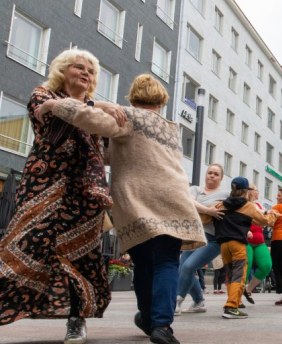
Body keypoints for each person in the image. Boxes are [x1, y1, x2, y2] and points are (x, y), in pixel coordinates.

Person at [38, 73, 207, 344]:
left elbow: (90, 120)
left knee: (142, 263)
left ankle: (148, 317)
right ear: (161, 100)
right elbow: (117, 153)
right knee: (166, 262)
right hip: (174, 198)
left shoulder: (127, 117)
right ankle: (160, 325)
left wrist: (55, 105)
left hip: (137, 199)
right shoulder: (171, 127)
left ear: (133, 96)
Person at [0, 48, 125, 344]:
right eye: (78, 67)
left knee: (80, 255)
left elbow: (104, 140)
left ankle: (75, 319)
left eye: (91, 71)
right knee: (23, 247)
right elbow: (66, 114)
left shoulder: (91, 108)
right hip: (44, 184)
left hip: (84, 191)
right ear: (62, 70)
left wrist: (99, 106)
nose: (86, 73)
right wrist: (98, 106)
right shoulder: (42, 96)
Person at [213, 177, 279, 319]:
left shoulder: (221, 205)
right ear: (245, 191)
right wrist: (272, 214)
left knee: (230, 275)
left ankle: (231, 303)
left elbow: (209, 216)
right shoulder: (248, 206)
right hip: (238, 244)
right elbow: (265, 221)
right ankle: (231, 306)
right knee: (239, 275)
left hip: (223, 244)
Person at [175, 164, 228, 316]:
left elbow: (240, 208)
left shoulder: (225, 194)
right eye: (210, 172)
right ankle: (199, 301)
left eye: (216, 174)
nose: (212, 175)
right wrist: (208, 210)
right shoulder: (195, 190)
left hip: (212, 239)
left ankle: (176, 301)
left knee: (188, 267)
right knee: (183, 268)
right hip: (192, 235)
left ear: (221, 178)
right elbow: (188, 202)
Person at [243, 184, 273, 304]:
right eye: (256, 190)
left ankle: (248, 289)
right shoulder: (244, 204)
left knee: (266, 265)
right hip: (246, 241)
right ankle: (236, 296)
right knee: (246, 266)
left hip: (259, 241)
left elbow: (262, 220)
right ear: (249, 191)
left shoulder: (259, 204)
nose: (258, 193)